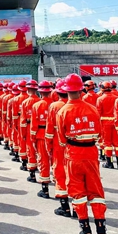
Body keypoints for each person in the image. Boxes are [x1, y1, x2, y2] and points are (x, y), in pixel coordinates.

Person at [56, 74, 109, 234]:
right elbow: (99, 133)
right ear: (81, 89)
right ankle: (102, 232)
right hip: (91, 154)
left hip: (73, 154)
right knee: (96, 191)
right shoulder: (92, 109)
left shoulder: (63, 111)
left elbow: (61, 139)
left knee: (77, 193)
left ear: (65, 91)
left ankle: (86, 231)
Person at [45, 79, 72, 217]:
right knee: (74, 174)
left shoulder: (54, 106)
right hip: (74, 144)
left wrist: (48, 145)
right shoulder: (77, 106)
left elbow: (49, 130)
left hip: (58, 143)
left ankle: (65, 206)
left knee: (60, 171)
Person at [31, 80, 53, 198]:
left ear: (40, 92)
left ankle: (45, 190)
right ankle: (59, 184)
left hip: (40, 135)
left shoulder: (36, 105)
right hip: (54, 136)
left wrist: (32, 138)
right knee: (56, 161)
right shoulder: (55, 104)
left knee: (43, 161)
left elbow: (33, 125)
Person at [97, 82, 118, 169]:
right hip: (115, 123)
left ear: (102, 89)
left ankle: (109, 163)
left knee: (107, 144)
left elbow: (98, 113)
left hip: (105, 123)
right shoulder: (116, 98)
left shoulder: (100, 99)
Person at [20, 80, 41, 179]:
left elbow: (23, 121)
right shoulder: (41, 102)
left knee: (31, 150)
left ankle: (32, 174)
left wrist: (23, 134)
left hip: (29, 128)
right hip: (42, 129)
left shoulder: (25, 103)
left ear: (27, 89)